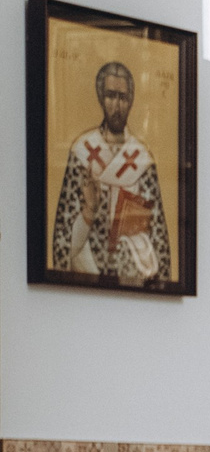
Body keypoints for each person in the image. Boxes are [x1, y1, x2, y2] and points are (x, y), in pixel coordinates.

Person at [51, 60, 171, 285]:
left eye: (123, 97)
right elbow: (63, 236)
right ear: (100, 98)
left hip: (131, 276)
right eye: (110, 95)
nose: (116, 105)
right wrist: (89, 210)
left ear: (131, 101)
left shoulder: (142, 158)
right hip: (87, 272)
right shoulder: (82, 152)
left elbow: (158, 235)